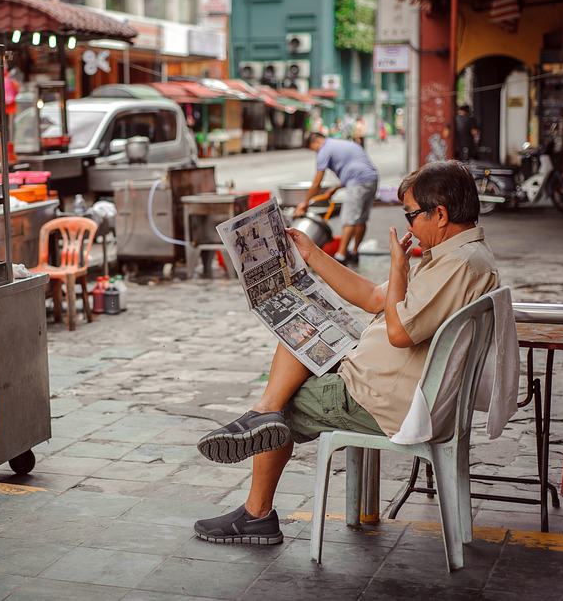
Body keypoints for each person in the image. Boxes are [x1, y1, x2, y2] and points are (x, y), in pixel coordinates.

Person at [193, 160, 499, 545]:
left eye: (412, 215)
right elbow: (375, 298)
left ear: (440, 215)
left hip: (381, 396)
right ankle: (262, 413)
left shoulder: (459, 265)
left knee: (282, 408)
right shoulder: (459, 256)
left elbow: (400, 332)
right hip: (385, 377)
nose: (408, 225)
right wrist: (314, 256)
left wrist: (399, 269)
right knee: (299, 332)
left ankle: (257, 509)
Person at [295, 132, 379, 266]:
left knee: (349, 219)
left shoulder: (324, 149)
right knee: (361, 219)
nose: (316, 152)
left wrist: (305, 204)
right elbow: (354, 166)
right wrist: (336, 188)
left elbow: (317, 182)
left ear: (315, 141)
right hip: (371, 179)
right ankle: (354, 252)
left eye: (314, 149)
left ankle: (341, 256)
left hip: (357, 182)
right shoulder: (341, 143)